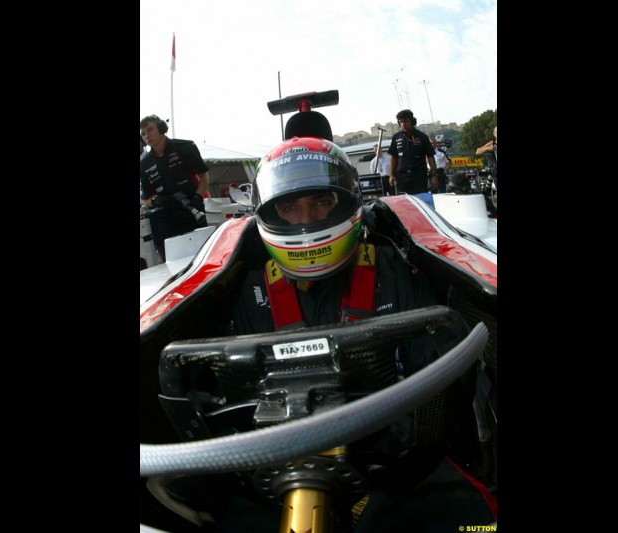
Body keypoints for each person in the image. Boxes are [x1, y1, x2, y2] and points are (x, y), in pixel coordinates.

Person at [224, 135, 493, 531]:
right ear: (269, 213)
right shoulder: (250, 292)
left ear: (349, 202)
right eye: (289, 207)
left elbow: (434, 390)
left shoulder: (394, 268)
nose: (306, 220)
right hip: (276, 471)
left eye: (321, 202)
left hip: (399, 466)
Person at [139, 115, 210, 262]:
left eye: (150, 130)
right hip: (166, 218)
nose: (147, 136)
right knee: (176, 262)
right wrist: (157, 201)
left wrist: (198, 197)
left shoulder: (184, 147)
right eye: (143, 134)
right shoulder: (144, 164)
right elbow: (145, 199)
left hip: (193, 210)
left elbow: (203, 175)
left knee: (203, 257)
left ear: (161, 128)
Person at [387, 109, 438, 195]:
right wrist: (391, 175)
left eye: (406, 121)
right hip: (402, 177)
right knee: (404, 203)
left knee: (420, 200)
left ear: (412, 121)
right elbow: (394, 157)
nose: (403, 124)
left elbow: (430, 157)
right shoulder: (396, 137)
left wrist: (434, 175)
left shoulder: (422, 137)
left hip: (419, 176)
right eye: (401, 122)